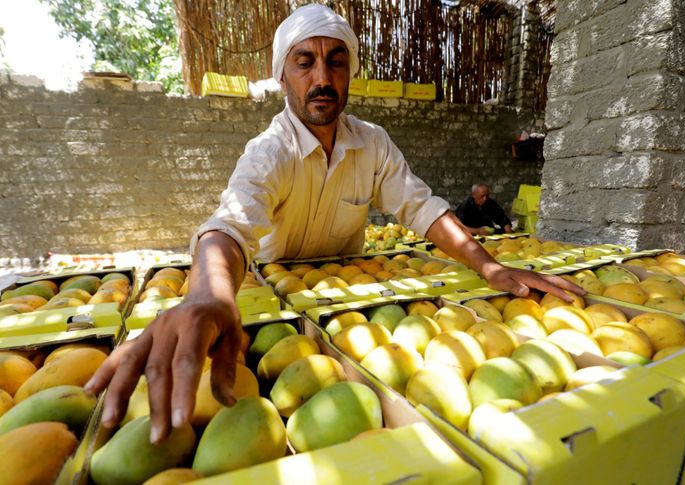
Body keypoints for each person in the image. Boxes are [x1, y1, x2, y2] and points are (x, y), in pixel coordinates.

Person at [85, 4, 583, 444]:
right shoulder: (269, 152)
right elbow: (229, 228)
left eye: (335, 60)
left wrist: (489, 266)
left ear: (350, 73)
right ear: (284, 76)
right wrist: (207, 297)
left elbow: (421, 208)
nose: (321, 76)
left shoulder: (373, 143)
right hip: (279, 295)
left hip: (352, 300)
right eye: (305, 62)